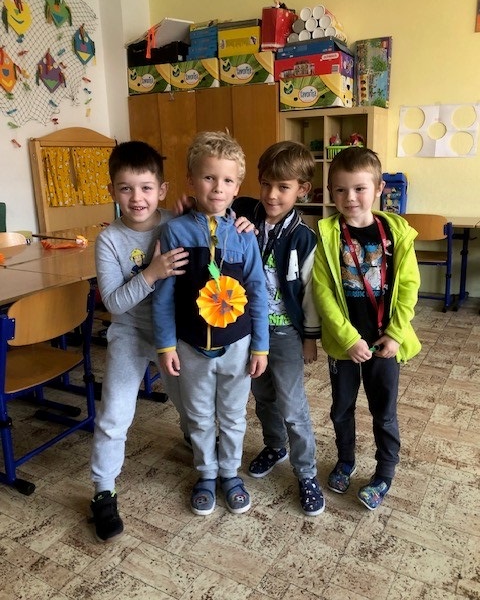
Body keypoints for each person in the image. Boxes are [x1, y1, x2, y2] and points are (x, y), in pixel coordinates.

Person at [152, 131, 269, 517]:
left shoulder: (245, 235)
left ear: (237, 186)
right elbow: (165, 294)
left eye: (227, 180)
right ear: (190, 180)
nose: (217, 187)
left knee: (233, 415)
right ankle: (205, 473)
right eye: (208, 177)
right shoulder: (174, 231)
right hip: (190, 346)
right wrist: (166, 344)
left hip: (238, 345)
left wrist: (261, 346)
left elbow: (258, 291)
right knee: (199, 416)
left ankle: (230, 473)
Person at [89, 140, 190, 542]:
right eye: (126, 188)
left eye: (146, 187)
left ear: (161, 190)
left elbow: (221, 216)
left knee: (192, 405)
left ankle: (200, 449)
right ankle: (103, 490)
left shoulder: (175, 222)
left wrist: (239, 221)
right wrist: (151, 273)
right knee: (114, 415)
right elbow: (114, 302)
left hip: (172, 334)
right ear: (112, 191)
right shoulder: (108, 240)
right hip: (129, 333)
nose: (137, 198)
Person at [312, 146, 421, 510]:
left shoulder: (396, 232)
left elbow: (409, 286)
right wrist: (347, 338)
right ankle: (346, 461)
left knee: (383, 411)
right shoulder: (328, 234)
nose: (350, 197)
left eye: (359, 188)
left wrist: (396, 333)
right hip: (345, 344)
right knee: (341, 408)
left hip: (385, 343)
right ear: (331, 192)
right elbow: (322, 292)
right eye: (341, 189)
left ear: (378, 189)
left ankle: (385, 472)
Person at [233, 140, 325, 516]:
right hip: (250, 331)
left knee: (292, 405)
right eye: (266, 184)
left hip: (287, 333)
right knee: (263, 396)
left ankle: (306, 473)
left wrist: (310, 337)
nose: (272, 195)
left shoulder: (304, 237)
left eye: (283, 187)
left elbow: (310, 293)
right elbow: (210, 205)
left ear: (302, 189)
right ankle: (275, 446)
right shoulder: (243, 213)